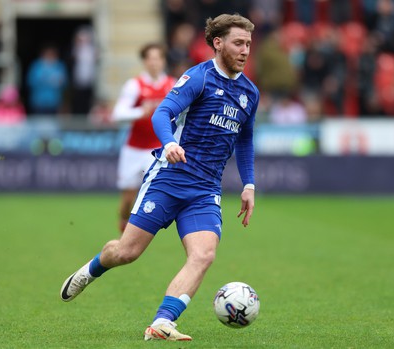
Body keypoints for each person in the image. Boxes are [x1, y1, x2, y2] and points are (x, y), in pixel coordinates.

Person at [60, 13, 259, 342]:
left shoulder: (249, 93)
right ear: (218, 43)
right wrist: (168, 143)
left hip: (205, 188)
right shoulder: (198, 78)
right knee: (127, 252)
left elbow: (246, 140)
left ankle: (163, 321)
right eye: (239, 43)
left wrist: (249, 184)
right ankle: (91, 269)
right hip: (170, 178)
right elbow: (162, 112)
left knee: (204, 255)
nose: (245, 50)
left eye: (249, 44)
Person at [111, 43, 176, 233]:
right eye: (150, 58)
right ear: (144, 61)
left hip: (156, 150)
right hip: (133, 149)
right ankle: (124, 222)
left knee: (153, 193)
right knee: (128, 198)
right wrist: (141, 111)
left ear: (163, 61)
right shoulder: (135, 85)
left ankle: (141, 232)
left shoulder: (172, 84)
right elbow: (118, 114)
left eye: (158, 58)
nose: (154, 63)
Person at [26, 44, 68, 115]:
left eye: (52, 54)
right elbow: (31, 81)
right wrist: (47, 80)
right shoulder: (36, 66)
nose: (50, 56)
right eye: (48, 54)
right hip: (38, 101)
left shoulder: (59, 66)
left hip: (54, 101)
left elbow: (64, 83)